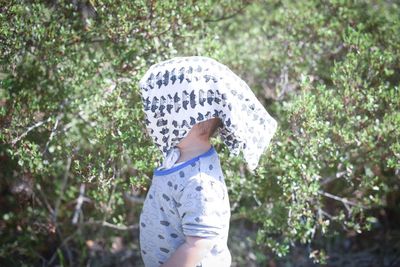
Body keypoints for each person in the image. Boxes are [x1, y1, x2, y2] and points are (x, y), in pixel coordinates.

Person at [138, 56, 277, 267]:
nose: (149, 122)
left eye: (157, 115)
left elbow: (198, 245)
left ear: (182, 120)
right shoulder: (179, 157)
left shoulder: (199, 181)